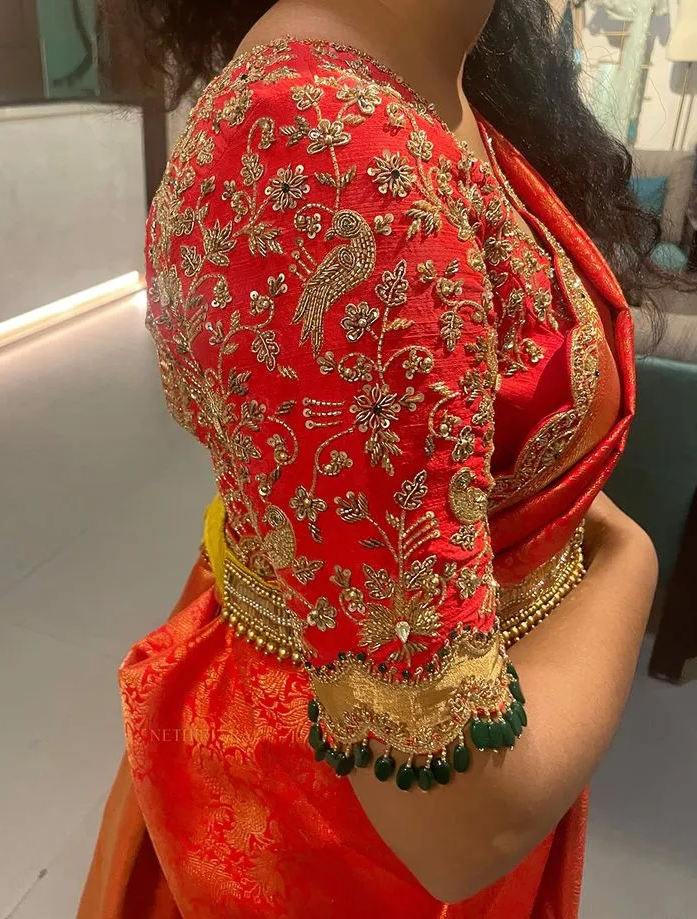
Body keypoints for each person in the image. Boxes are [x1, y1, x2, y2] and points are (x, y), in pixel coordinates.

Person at [80, 1, 664, 916]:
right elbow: (459, 821)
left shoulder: (426, 84)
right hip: (350, 832)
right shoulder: (325, 151)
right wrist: (632, 559)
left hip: (468, 719)